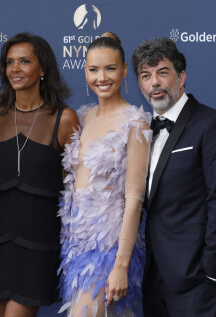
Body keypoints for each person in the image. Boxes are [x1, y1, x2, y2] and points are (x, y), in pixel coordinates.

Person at [0, 33, 79, 317]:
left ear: (42, 69)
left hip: (38, 243)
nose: (15, 68)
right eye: (10, 62)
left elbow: (76, 187)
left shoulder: (65, 119)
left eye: (25, 61)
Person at [131, 38, 216, 317]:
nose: (154, 82)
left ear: (181, 77)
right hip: (153, 276)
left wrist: (212, 272)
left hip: (197, 278)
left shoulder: (213, 124)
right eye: (146, 75)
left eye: (162, 72)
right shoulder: (142, 131)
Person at [59, 32, 151, 316]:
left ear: (124, 71)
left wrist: (121, 265)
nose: (102, 77)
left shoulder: (136, 123)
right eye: (94, 69)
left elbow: (135, 199)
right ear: (85, 70)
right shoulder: (83, 117)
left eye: (110, 68)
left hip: (111, 247)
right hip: (76, 247)